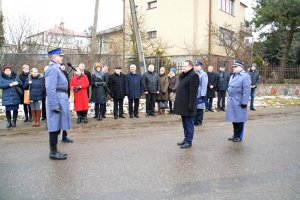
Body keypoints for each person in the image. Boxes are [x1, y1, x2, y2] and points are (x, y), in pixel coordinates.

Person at [45, 48, 71, 160]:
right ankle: (53, 152)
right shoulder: (53, 69)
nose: (62, 57)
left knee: (58, 125)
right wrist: (54, 105)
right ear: (54, 57)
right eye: (60, 56)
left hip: (61, 97)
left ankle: (55, 150)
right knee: (54, 125)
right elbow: (50, 88)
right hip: (56, 98)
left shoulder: (56, 68)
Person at [173, 60, 199, 148]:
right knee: (185, 124)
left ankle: (189, 141)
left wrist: (191, 106)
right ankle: (186, 138)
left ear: (190, 67)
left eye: (185, 66)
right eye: (183, 66)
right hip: (183, 105)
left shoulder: (194, 76)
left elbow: (193, 93)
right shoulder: (183, 75)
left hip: (188, 106)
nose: (183, 67)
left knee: (189, 124)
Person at [226, 60, 251, 142]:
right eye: (233, 66)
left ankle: (239, 136)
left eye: (235, 67)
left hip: (239, 100)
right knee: (234, 119)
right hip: (232, 100)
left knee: (240, 119)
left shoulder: (245, 76)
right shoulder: (233, 75)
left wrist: (244, 102)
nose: (233, 68)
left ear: (241, 67)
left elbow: (246, 90)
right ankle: (235, 134)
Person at [193, 61, 208, 126]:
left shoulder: (203, 74)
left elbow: (204, 85)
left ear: (200, 66)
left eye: (197, 66)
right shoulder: (193, 73)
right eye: (195, 66)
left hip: (200, 93)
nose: (195, 67)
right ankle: (194, 120)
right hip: (194, 92)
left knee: (200, 108)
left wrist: (203, 94)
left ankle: (199, 121)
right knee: (195, 107)